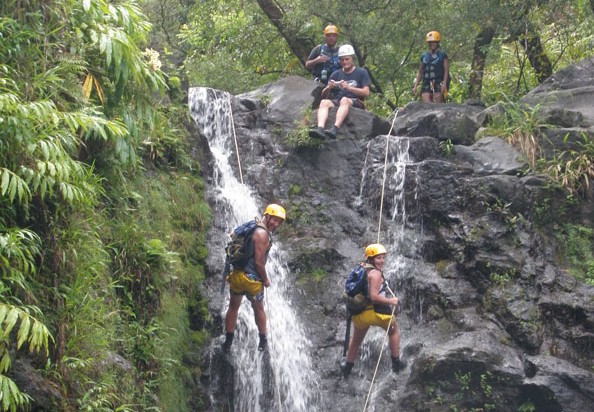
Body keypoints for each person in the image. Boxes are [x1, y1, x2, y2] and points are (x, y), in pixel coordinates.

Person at [222, 204, 286, 353]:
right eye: (274, 220)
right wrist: (266, 280)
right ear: (267, 216)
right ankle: (263, 339)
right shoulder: (263, 234)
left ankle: (228, 341)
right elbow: (259, 262)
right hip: (251, 280)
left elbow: (233, 235)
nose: (275, 224)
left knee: (233, 307)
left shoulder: (250, 226)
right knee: (259, 309)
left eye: (278, 222)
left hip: (236, 275)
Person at [340, 243, 404, 377]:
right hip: (377, 313)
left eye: (382, 258)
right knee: (393, 332)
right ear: (371, 258)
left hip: (360, 314)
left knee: (356, 341)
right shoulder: (375, 274)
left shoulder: (360, 268)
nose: (382, 261)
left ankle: (347, 369)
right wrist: (391, 301)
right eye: (378, 258)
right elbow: (374, 297)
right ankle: (396, 364)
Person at [308, 44, 371, 140]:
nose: (344, 62)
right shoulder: (336, 74)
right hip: (339, 99)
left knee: (344, 100)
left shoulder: (361, 72)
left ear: (352, 59)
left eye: (347, 59)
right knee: (324, 102)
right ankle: (320, 129)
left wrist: (349, 88)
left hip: (355, 100)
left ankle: (335, 128)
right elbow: (324, 95)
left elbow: (366, 92)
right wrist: (329, 87)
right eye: (342, 60)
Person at [413, 31, 449, 103]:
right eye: (430, 42)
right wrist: (415, 85)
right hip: (426, 82)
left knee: (438, 104)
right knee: (427, 104)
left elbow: (446, 70)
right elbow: (420, 72)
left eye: (434, 42)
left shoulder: (442, 55)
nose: (432, 44)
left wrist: (444, 83)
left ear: (437, 42)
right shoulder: (424, 56)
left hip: (438, 81)